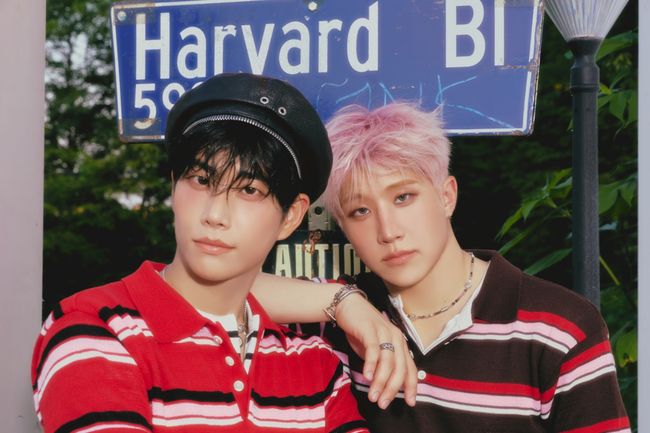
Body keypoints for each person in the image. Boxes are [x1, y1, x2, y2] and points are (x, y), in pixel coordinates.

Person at [252, 102, 631, 432]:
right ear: (344, 227)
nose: (388, 231)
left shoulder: (560, 328)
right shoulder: (337, 319)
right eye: (360, 211)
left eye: (403, 197)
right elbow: (220, 291)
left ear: (446, 196)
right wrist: (345, 302)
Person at [30, 73, 373, 433]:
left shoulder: (315, 363)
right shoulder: (94, 328)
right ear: (173, 185)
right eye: (201, 180)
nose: (215, 214)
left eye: (250, 190)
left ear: (291, 216)